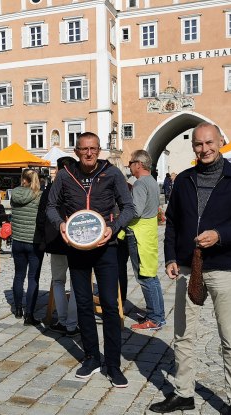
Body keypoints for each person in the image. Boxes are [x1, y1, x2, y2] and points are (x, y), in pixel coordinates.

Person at [149, 122, 231, 415]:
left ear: (220, 142)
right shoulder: (184, 180)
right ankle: (184, 393)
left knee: (230, 339)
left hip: (224, 267)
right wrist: (171, 257)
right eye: (198, 144)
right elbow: (172, 223)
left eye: (209, 142)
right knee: (183, 335)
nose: (204, 149)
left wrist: (220, 235)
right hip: (187, 267)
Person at [46, 132, 135, 388]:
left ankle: (114, 365)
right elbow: (51, 206)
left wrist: (114, 228)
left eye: (93, 149)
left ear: (99, 150)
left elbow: (128, 207)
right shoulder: (65, 175)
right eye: (84, 149)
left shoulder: (112, 173)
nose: (88, 153)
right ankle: (91, 358)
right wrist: (61, 225)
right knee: (83, 304)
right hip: (77, 247)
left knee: (109, 305)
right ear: (76, 151)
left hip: (106, 247)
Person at [125, 150, 166, 331]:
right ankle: (158, 315)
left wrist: (120, 218)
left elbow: (136, 211)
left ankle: (154, 318)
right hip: (148, 233)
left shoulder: (141, 183)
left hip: (139, 234)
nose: (129, 165)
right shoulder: (152, 181)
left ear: (139, 164)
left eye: (131, 162)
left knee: (144, 277)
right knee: (151, 276)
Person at [43, 156, 79, 337]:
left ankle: (63, 320)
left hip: (57, 241)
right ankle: (72, 324)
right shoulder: (78, 186)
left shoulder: (51, 188)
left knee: (58, 281)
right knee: (76, 283)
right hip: (76, 241)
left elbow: (43, 216)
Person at [9, 169, 44, 325]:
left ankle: (17, 309)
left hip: (17, 240)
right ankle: (29, 314)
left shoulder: (14, 194)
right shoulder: (39, 195)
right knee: (33, 278)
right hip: (34, 241)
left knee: (19, 275)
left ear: (23, 179)